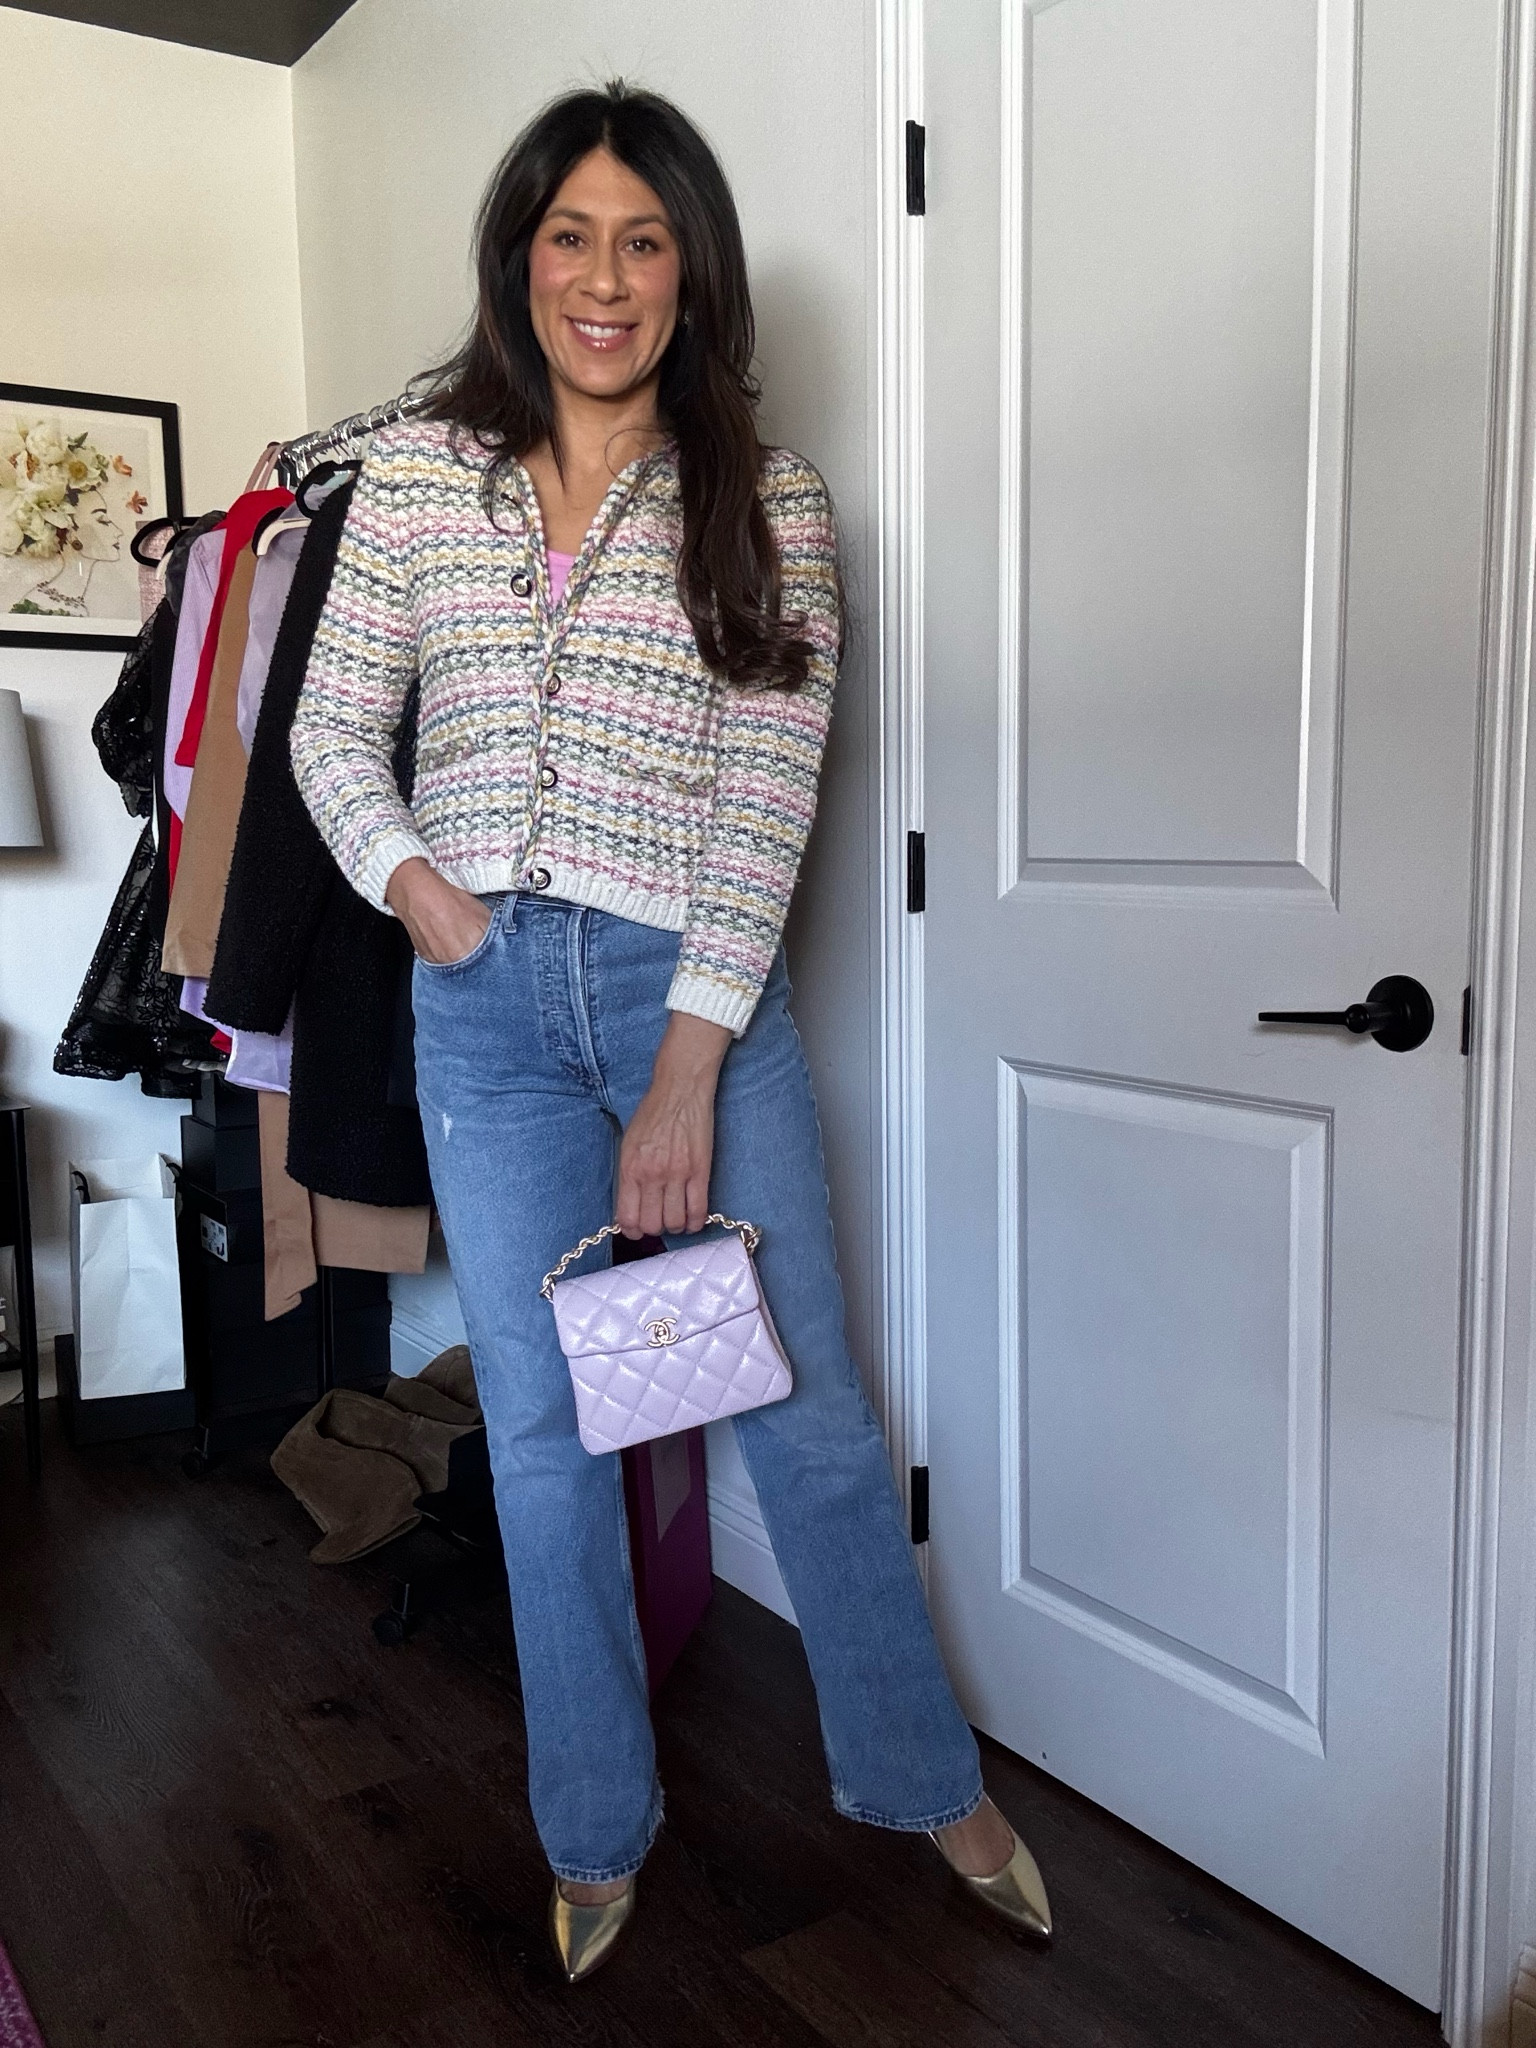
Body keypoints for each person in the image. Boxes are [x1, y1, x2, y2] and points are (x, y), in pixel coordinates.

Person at [291, 80, 1051, 1984]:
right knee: (547, 1430)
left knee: (792, 1410)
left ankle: (920, 1776)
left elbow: (769, 793)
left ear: (691, 271)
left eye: (644, 240)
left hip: (683, 991)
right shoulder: (408, 483)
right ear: (521, 256)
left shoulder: (767, 498)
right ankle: (593, 1828)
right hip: (479, 1011)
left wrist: (688, 1071)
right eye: (571, 236)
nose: (605, 278)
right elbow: (322, 732)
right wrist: (418, 890)